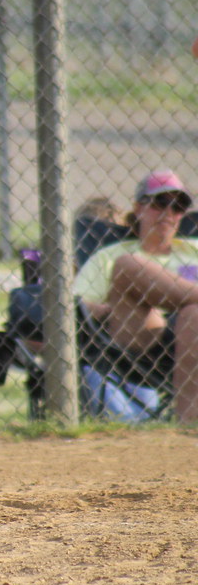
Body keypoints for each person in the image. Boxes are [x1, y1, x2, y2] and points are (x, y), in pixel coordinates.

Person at [74, 170, 198, 423]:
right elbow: (79, 303)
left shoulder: (194, 250)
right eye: (159, 203)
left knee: (192, 312)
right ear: (138, 208)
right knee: (129, 265)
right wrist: (113, 307)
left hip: (192, 334)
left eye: (178, 206)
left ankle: (190, 422)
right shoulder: (110, 255)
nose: (168, 212)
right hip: (144, 337)